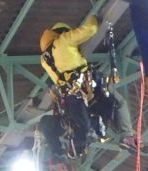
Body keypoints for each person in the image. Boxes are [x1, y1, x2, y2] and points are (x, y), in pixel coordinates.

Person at [38, 16, 135, 159]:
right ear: (62, 32)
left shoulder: (44, 60)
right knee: (119, 103)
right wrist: (96, 17)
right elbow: (90, 29)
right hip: (88, 86)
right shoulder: (63, 40)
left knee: (94, 117)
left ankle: (101, 135)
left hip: (71, 97)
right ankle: (127, 136)